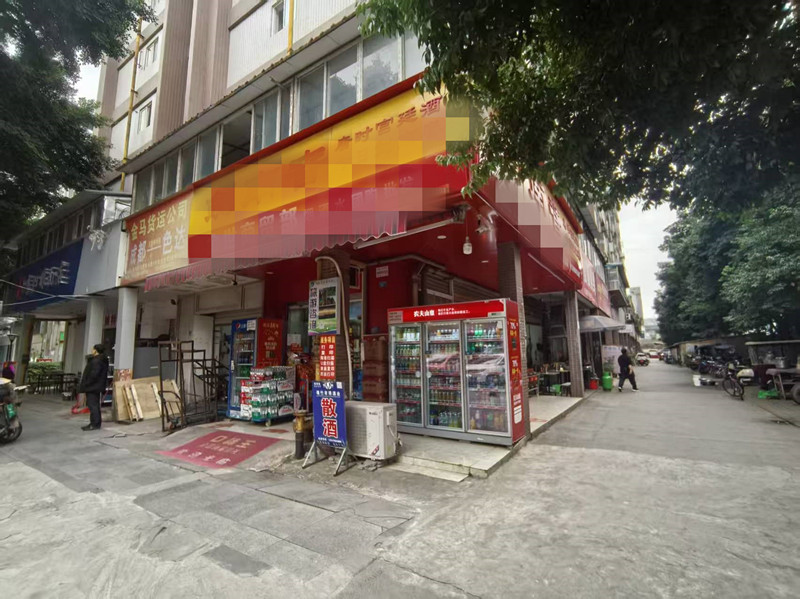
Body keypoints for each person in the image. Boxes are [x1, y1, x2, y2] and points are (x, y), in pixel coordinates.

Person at [79, 344, 109, 431]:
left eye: (93, 349)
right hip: (96, 386)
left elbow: (94, 375)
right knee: (94, 405)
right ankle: (95, 423)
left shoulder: (97, 361)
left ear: (96, 350)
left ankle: (95, 424)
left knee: (93, 405)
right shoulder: (101, 360)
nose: (92, 351)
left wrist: (86, 383)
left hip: (93, 387)